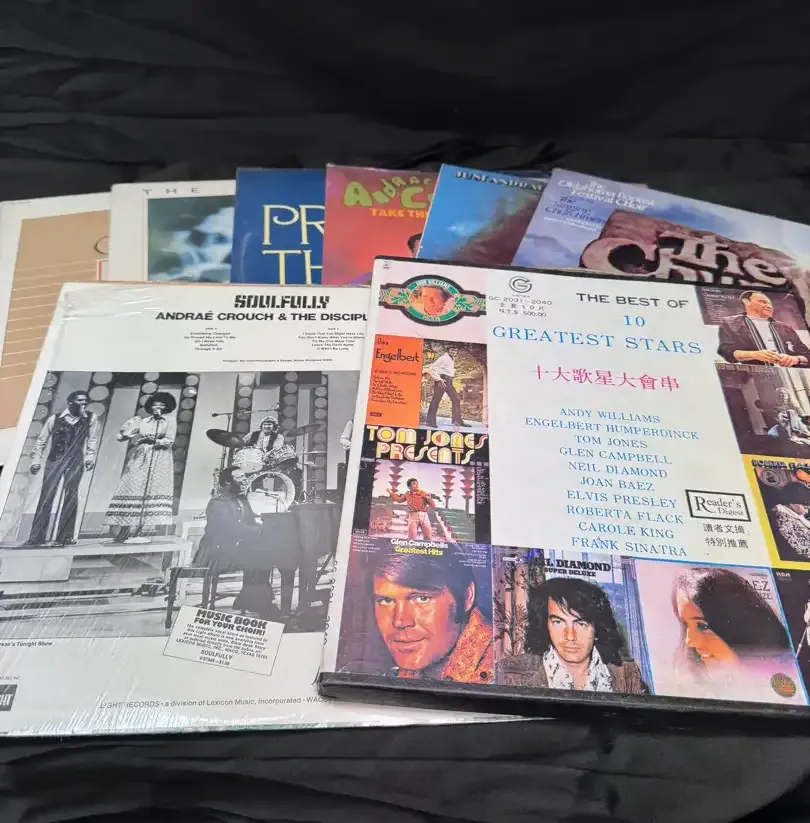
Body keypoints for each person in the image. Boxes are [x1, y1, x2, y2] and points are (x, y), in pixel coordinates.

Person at [362, 546, 493, 681]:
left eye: (422, 598)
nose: (400, 621)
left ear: (466, 597)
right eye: (386, 601)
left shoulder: (497, 666)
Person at [497, 577, 648, 693]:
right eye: (558, 622)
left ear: (597, 629)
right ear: (545, 625)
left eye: (581, 624)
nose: (570, 636)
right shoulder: (511, 673)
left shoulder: (628, 674)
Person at [195, 466, 284, 619]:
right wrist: (257, 531)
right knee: (259, 556)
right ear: (227, 482)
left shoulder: (241, 499)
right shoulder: (217, 502)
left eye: (244, 476)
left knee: (265, 553)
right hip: (216, 552)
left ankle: (252, 599)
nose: (244, 480)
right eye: (240, 477)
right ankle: (257, 601)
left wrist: (265, 528)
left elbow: (250, 522)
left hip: (236, 547)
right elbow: (227, 528)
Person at [671, 566, 792, 678]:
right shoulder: (688, 675)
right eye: (685, 624)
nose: (689, 641)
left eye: (702, 626)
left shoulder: (787, 669)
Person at [26, 390, 99, 546]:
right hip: (55, 460)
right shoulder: (55, 419)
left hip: (75, 461)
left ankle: (65, 537)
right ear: (70, 402)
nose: (84, 403)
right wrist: (36, 461)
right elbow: (41, 441)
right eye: (80, 400)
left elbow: (92, 440)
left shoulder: (91, 418)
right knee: (46, 496)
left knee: (71, 496)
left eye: (85, 400)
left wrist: (89, 458)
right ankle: (36, 537)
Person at [105, 391, 177, 544]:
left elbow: (169, 441)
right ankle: (124, 530)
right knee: (133, 488)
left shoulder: (170, 421)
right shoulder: (142, 421)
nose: (157, 407)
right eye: (155, 405)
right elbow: (121, 437)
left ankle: (138, 531)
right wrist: (128, 434)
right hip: (141, 455)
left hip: (160, 457)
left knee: (151, 490)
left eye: (161, 405)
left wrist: (154, 441)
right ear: (150, 406)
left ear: (166, 407)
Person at [717, 291, 810, 367]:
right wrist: (754, 355)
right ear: (747, 302)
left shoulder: (785, 327)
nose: (769, 306)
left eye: (770, 304)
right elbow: (726, 351)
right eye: (762, 302)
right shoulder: (731, 323)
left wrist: (795, 359)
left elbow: (807, 354)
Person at [243, 415, 303, 501]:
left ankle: (280, 497)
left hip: (270, 461)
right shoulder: (253, 434)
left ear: (273, 426)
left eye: (269, 424)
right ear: (261, 426)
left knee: (290, 471)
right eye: (265, 424)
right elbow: (242, 442)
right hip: (255, 461)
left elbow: (276, 449)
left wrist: (266, 455)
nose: (266, 426)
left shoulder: (278, 436)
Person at [424, 346, 464, 428]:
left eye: (455, 350)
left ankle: (457, 421)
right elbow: (431, 368)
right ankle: (430, 422)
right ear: (448, 350)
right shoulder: (443, 358)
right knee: (436, 400)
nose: (454, 352)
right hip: (442, 381)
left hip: (448, 381)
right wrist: (439, 379)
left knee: (456, 398)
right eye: (452, 350)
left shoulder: (451, 359)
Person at [772, 481, 810, 560]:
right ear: (791, 502)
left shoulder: (798, 516)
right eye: (805, 505)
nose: (808, 508)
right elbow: (798, 548)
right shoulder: (783, 519)